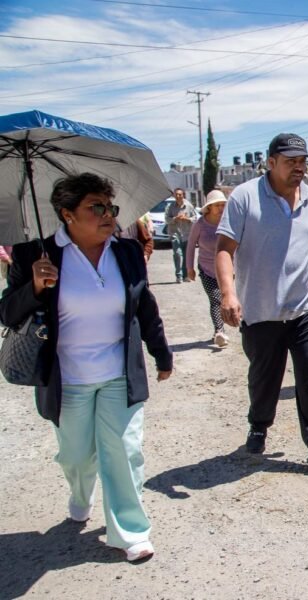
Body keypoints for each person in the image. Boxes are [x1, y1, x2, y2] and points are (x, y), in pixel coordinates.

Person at [0, 173, 173, 562]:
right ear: (66, 214)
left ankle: (130, 531)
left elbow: (144, 305)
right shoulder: (36, 254)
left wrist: (161, 352)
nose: (108, 214)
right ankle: (81, 492)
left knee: (124, 450)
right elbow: (7, 313)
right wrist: (35, 288)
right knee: (77, 455)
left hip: (117, 372)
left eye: (110, 207)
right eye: (96, 207)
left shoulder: (126, 252)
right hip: (68, 377)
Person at [215, 133, 308, 477]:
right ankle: (259, 424)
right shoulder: (245, 197)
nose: (299, 168)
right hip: (260, 310)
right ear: (270, 162)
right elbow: (224, 250)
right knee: (265, 377)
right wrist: (229, 295)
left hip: (305, 309)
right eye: (290, 161)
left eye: (303, 162)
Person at [186, 190, 230, 348]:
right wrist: (189, 267)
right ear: (209, 207)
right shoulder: (200, 224)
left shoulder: (228, 221)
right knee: (215, 299)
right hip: (207, 268)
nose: (221, 208)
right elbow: (190, 246)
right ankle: (219, 331)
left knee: (228, 298)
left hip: (228, 269)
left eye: (223, 205)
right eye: (217, 205)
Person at [165, 187, 197, 283]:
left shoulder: (189, 206)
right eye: (176, 194)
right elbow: (167, 219)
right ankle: (178, 276)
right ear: (174, 195)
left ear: (183, 195)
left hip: (187, 234)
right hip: (175, 233)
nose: (178, 196)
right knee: (178, 254)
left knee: (186, 255)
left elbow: (195, 218)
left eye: (180, 194)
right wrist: (175, 218)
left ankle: (185, 275)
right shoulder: (170, 207)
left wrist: (187, 219)